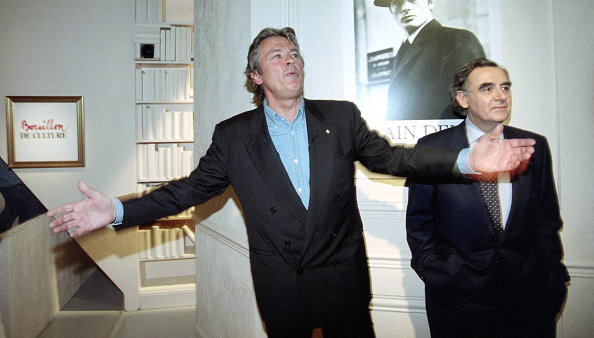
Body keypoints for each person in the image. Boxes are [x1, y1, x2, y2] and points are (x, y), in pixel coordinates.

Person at [48, 28, 535, 337]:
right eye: (277, 55)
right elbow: (188, 191)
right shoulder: (234, 136)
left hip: (343, 279)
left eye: (295, 53)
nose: (291, 60)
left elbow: (395, 157)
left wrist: (465, 160)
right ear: (256, 75)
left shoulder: (340, 118)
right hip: (284, 283)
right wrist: (117, 210)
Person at [406, 58, 569, 337]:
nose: (500, 95)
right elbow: (420, 223)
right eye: (487, 88)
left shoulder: (534, 145)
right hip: (459, 299)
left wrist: (551, 277)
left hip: (528, 297)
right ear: (463, 98)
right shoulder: (432, 149)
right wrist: (437, 272)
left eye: (505, 87)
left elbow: (547, 220)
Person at [374, 0, 486, 120]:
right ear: (391, 12)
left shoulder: (457, 40)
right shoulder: (402, 52)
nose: (405, 7)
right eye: (397, 2)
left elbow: (472, 108)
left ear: (431, 1)